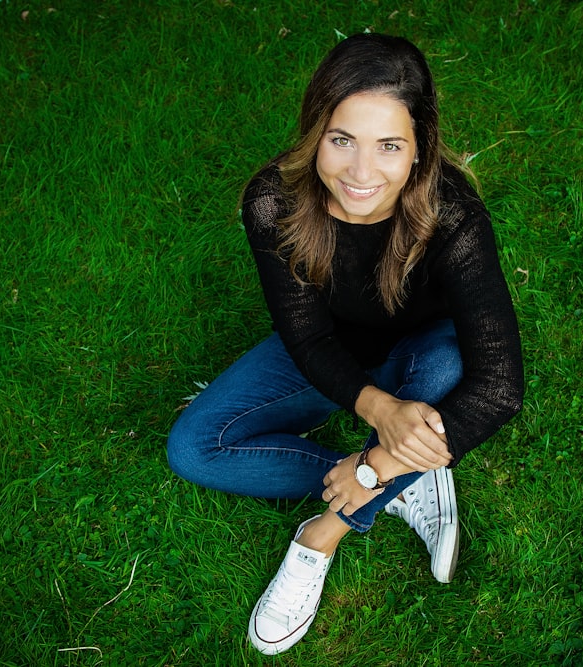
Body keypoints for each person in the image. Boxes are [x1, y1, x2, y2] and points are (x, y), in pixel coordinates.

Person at [167, 32, 524, 655]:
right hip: (331, 351)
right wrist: (381, 418)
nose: (361, 174)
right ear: (315, 135)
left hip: (422, 352)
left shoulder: (452, 213)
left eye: (389, 146)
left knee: (448, 364)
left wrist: (374, 465)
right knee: (195, 449)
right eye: (341, 141)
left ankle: (320, 537)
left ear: (420, 150)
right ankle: (415, 477)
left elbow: (500, 383)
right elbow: (304, 334)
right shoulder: (274, 199)